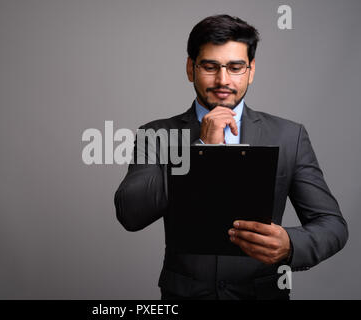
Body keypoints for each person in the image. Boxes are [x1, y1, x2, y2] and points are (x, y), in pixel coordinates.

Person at [114, 14, 348, 300]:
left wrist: (290, 244)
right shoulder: (156, 134)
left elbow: (332, 225)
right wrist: (203, 149)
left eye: (235, 67)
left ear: (250, 71)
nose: (222, 80)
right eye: (210, 67)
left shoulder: (290, 136)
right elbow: (130, 213)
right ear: (191, 68)